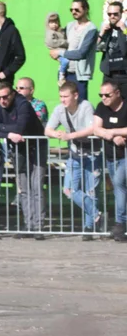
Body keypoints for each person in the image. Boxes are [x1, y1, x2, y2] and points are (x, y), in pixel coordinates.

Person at [0, 81, 46, 238]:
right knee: (24, 189)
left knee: (36, 187)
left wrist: (0, 128)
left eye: (5, 97)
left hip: (37, 147)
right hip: (19, 150)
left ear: (13, 93)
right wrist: (9, 135)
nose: (2, 101)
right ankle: (29, 225)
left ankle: (39, 226)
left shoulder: (23, 104)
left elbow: (19, 128)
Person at [45, 81, 99, 235]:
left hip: (92, 154)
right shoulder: (59, 109)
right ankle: (96, 214)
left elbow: (92, 129)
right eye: (61, 96)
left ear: (75, 95)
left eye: (65, 96)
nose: (62, 100)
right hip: (74, 155)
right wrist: (56, 134)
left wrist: (70, 136)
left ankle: (90, 227)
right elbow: (47, 129)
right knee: (68, 189)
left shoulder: (86, 106)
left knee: (91, 191)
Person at [92, 81, 127, 241]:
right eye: (101, 95)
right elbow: (96, 128)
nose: (104, 98)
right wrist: (107, 134)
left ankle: (120, 223)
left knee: (119, 183)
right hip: (111, 156)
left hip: (125, 154)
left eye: (107, 95)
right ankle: (122, 223)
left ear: (118, 93)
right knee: (119, 189)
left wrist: (113, 132)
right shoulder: (101, 107)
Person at [50, 0, 99, 103]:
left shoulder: (91, 29)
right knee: (65, 104)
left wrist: (59, 52)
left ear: (86, 9)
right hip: (64, 72)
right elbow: (61, 43)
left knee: (80, 106)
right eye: (71, 10)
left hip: (79, 75)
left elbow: (81, 53)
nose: (73, 12)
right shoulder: (70, 25)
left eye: (77, 9)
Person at [98, 1, 127, 92]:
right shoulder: (106, 28)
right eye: (109, 14)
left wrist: (124, 30)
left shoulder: (125, 27)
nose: (112, 17)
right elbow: (95, 48)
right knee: (108, 102)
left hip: (124, 75)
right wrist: (102, 33)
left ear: (122, 14)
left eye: (115, 14)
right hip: (109, 75)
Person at [45, 12, 70, 83]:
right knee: (65, 61)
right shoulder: (50, 33)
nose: (54, 24)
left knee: (65, 62)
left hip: (61, 51)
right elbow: (53, 42)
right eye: (51, 22)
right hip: (57, 51)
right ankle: (61, 75)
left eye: (56, 22)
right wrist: (66, 42)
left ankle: (61, 70)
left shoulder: (59, 31)